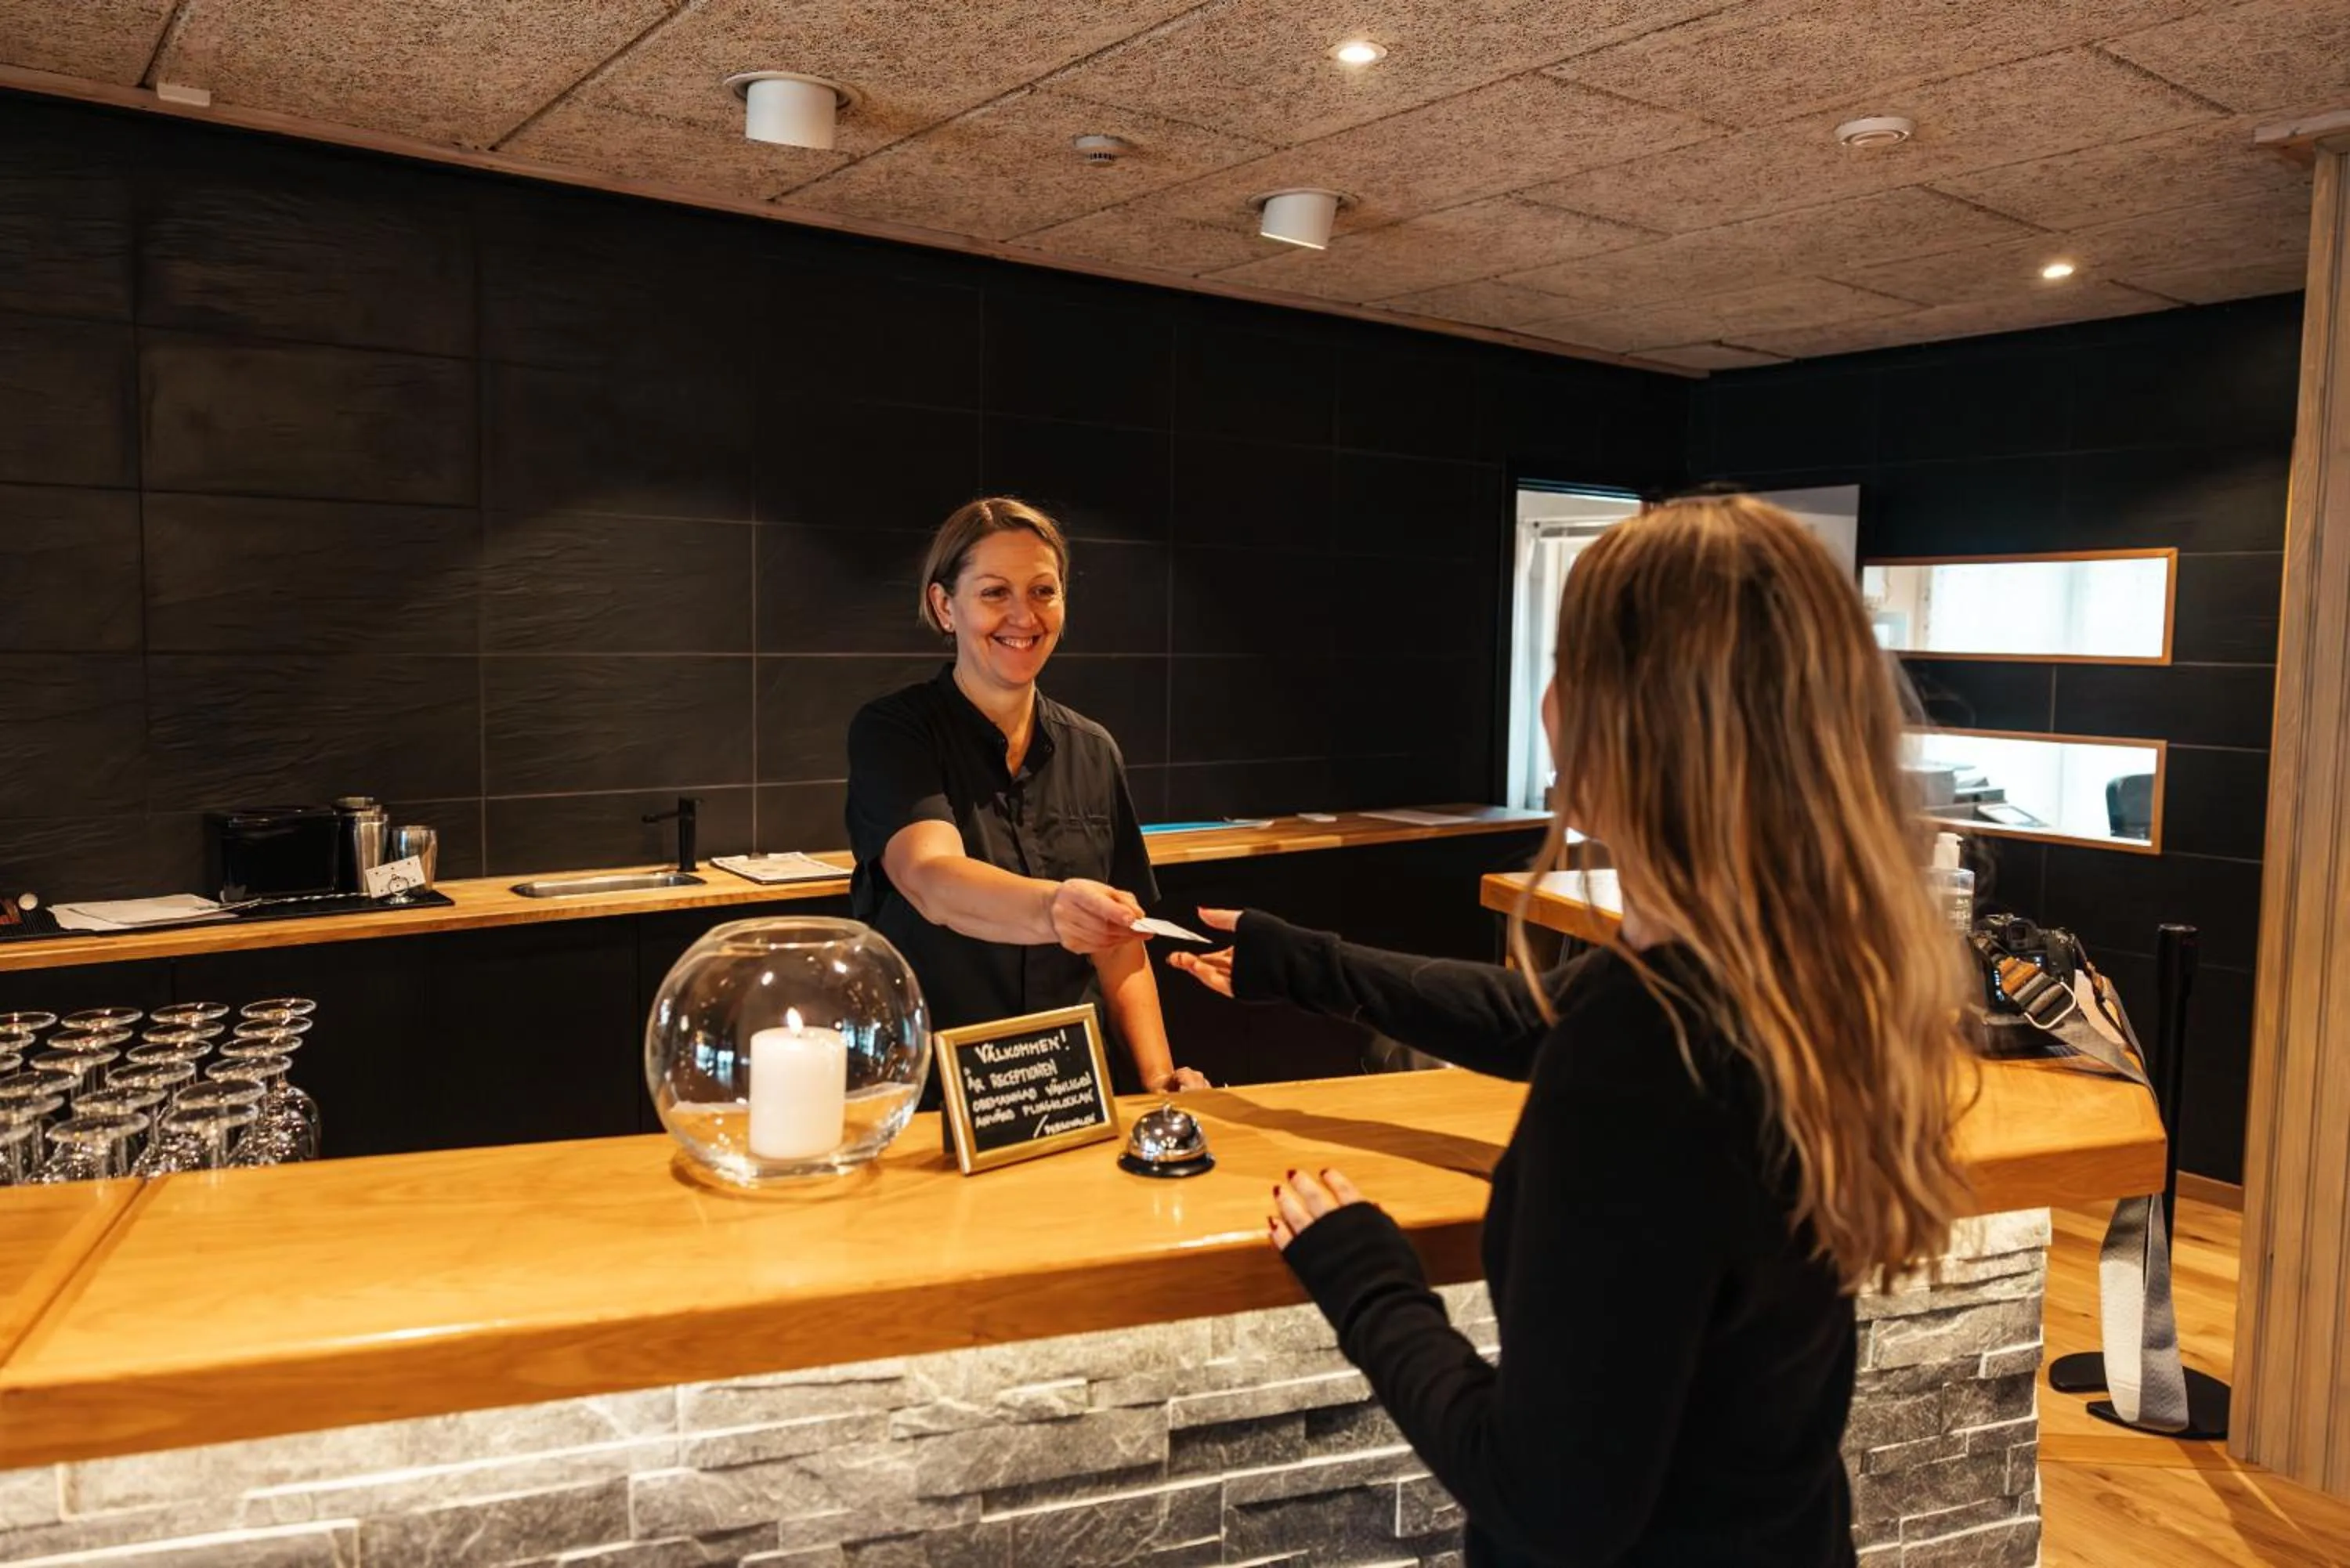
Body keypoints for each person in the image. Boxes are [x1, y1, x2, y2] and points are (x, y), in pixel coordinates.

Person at [1170, 494, 1973, 1566]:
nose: (1550, 701)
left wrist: (1364, 1273)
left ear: (1633, 723)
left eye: (1569, 666)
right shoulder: (1790, 972)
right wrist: (1304, 964)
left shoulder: (1646, 1058)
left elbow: (1551, 1501)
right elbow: (1539, 1015)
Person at [847, 497, 1207, 1098]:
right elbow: (931, 879)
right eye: (994, 592)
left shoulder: (1094, 750)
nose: (1024, 615)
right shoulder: (895, 732)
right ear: (944, 606)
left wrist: (1159, 1080)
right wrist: (1056, 909)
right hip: (934, 1089)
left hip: (1071, 1089)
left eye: (1043, 591)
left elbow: (1121, 948)